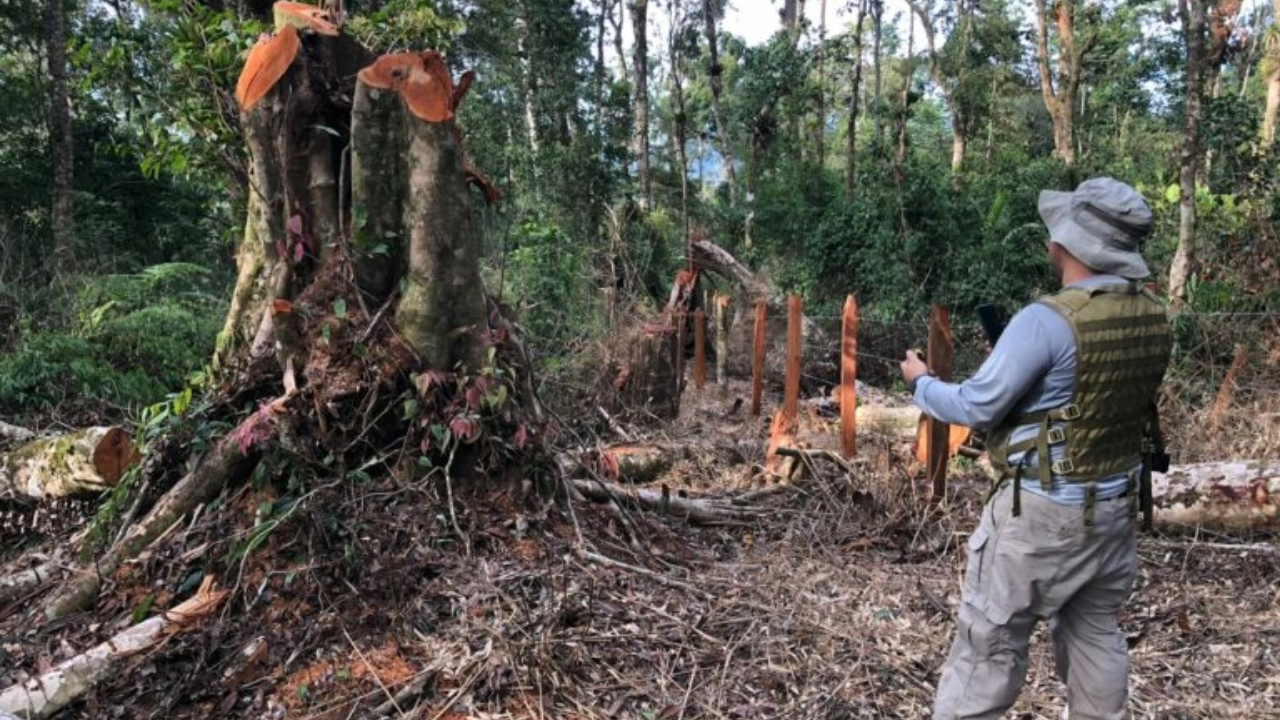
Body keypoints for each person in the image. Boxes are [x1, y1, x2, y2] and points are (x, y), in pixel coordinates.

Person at [900, 177, 1173, 720]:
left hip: (1043, 513)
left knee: (990, 644)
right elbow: (1084, 397)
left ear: (1066, 243)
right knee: (1097, 636)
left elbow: (977, 406)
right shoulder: (1151, 314)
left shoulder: (1046, 321)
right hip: (1117, 507)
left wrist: (920, 382)